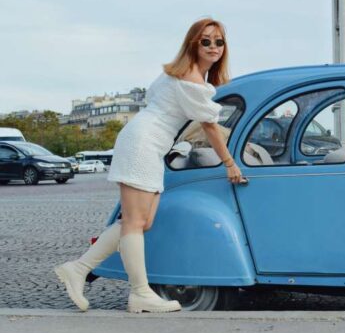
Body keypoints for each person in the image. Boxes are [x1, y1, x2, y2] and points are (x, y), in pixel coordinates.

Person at [54, 18, 246, 313]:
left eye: (218, 41)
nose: (213, 47)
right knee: (134, 222)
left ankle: (79, 269)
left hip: (151, 145)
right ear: (193, 44)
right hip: (143, 142)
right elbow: (209, 127)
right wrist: (230, 164)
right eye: (205, 41)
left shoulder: (184, 76)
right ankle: (140, 292)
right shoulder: (192, 80)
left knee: (142, 222)